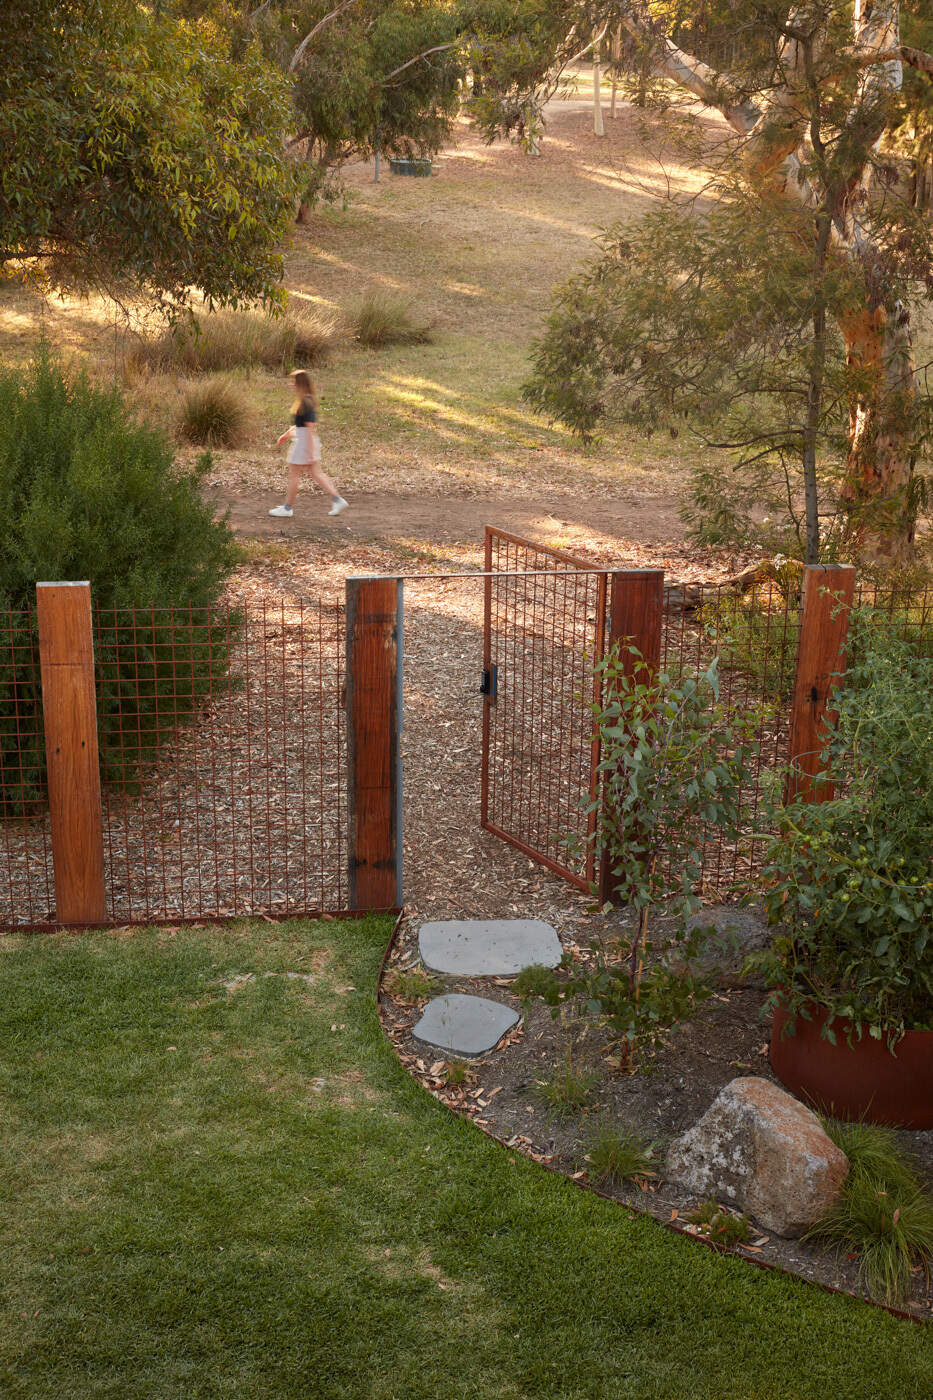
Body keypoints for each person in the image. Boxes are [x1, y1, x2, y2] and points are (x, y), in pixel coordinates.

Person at [269, 369, 348, 518]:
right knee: (316, 473)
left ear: (301, 384)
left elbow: (310, 429)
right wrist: (286, 435)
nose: (291, 385)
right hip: (306, 442)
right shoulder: (307, 400)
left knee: (294, 476)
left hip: (304, 444)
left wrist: (310, 452)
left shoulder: (306, 403)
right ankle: (337, 500)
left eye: (294, 383)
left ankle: (287, 508)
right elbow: (302, 427)